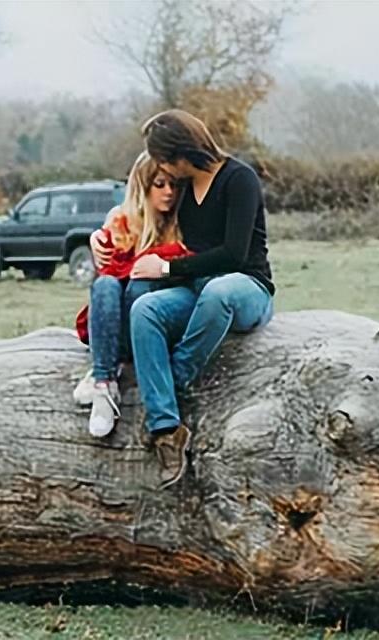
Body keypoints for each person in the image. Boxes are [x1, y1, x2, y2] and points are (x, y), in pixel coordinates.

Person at [128, 109, 276, 488]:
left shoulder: (238, 179)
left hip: (245, 288)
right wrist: (104, 237)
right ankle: (166, 430)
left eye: (163, 159)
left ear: (181, 153)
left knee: (218, 290)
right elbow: (140, 210)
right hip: (196, 291)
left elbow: (234, 254)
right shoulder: (183, 189)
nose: (162, 168)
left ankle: (172, 384)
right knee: (145, 309)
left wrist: (165, 269)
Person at [72, 151, 190, 438]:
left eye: (174, 185)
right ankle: (104, 383)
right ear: (142, 186)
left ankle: (106, 368)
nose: (169, 192)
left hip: (154, 324)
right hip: (116, 320)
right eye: (159, 184)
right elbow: (108, 267)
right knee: (105, 285)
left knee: (139, 287)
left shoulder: (183, 222)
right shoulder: (123, 220)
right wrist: (96, 240)